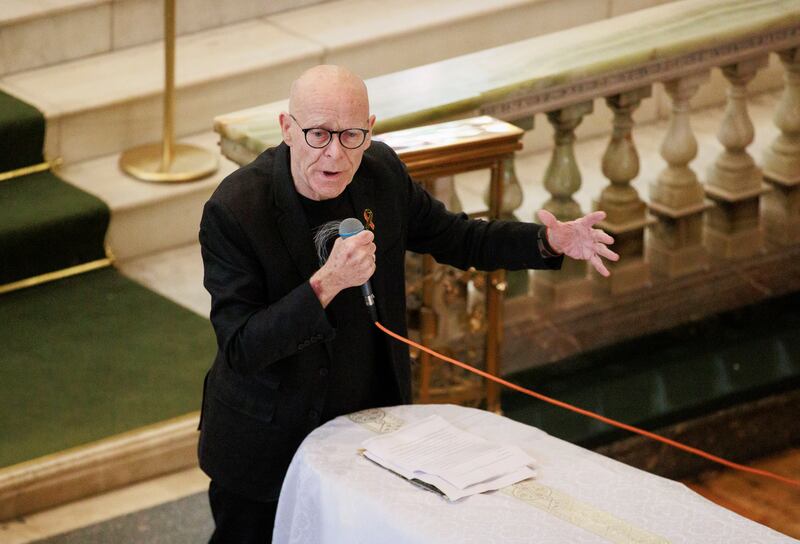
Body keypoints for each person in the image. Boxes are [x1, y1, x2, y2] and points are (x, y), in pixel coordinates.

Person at [198, 65, 618, 543]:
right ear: (287, 128)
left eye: (351, 135)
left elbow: (459, 238)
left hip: (365, 430)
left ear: (370, 130)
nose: (334, 153)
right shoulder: (235, 210)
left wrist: (547, 241)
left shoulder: (380, 175)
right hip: (267, 443)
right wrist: (326, 283)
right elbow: (241, 346)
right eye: (317, 134)